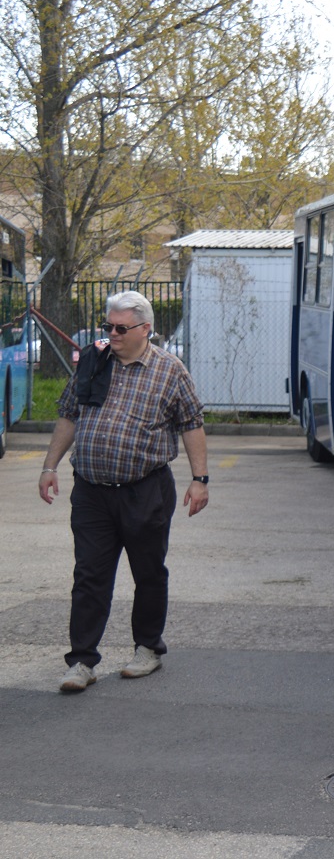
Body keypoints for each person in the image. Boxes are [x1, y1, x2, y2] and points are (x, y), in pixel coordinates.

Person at [38, 290, 209, 693]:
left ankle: (147, 648)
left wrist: (200, 480)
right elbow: (69, 414)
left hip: (145, 490)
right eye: (107, 327)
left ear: (145, 329)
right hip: (92, 492)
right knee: (89, 575)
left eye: (120, 328)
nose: (111, 334)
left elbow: (191, 423)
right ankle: (82, 661)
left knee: (148, 572)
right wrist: (50, 466)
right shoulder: (94, 361)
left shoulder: (170, 370)